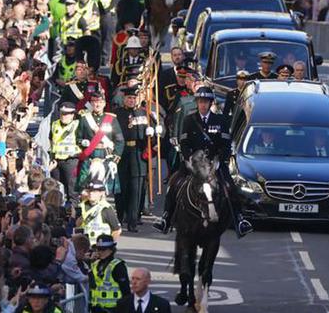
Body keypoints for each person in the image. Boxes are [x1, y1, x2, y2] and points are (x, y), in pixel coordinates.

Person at [154, 86, 253, 237]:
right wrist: (189, 159)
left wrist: (220, 158)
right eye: (200, 101)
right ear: (197, 103)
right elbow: (185, 144)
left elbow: (226, 144)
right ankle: (166, 218)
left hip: (214, 163)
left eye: (206, 102)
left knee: (230, 186)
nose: (203, 105)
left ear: (211, 103)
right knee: (174, 183)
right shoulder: (189, 120)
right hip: (194, 162)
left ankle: (240, 220)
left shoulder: (221, 121)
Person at [113, 87, 149, 232]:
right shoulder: (117, 114)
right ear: (124, 99)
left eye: (134, 98)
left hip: (137, 153)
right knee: (121, 189)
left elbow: (157, 132)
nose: (131, 100)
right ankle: (120, 217)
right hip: (121, 154)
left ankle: (133, 221)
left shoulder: (143, 113)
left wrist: (153, 133)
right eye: (129, 98)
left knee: (136, 189)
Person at [75, 91, 124, 192]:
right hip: (89, 156)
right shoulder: (84, 119)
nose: (97, 104)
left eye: (100, 102)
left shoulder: (111, 119)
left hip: (106, 156)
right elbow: (77, 138)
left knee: (104, 189)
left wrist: (115, 158)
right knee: (86, 188)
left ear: (104, 104)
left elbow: (119, 140)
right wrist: (82, 142)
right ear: (91, 103)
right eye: (94, 102)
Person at [89, 234, 131, 312]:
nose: (100, 252)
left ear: (111, 250)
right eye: (98, 249)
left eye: (103, 250)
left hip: (114, 309)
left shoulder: (118, 266)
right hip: (96, 308)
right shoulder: (95, 264)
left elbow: (125, 289)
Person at [51, 102, 81, 202]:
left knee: (72, 191)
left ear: (73, 115)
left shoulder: (77, 125)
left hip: (71, 161)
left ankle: (73, 213)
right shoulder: (54, 124)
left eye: (67, 114)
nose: (64, 116)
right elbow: (51, 141)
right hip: (56, 161)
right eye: (62, 113)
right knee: (55, 190)